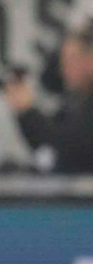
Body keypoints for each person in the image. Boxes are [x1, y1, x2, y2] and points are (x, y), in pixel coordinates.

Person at [6, 19, 93, 175]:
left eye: (72, 59)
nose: (64, 68)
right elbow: (48, 148)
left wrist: (28, 113)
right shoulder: (73, 103)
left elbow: (69, 150)